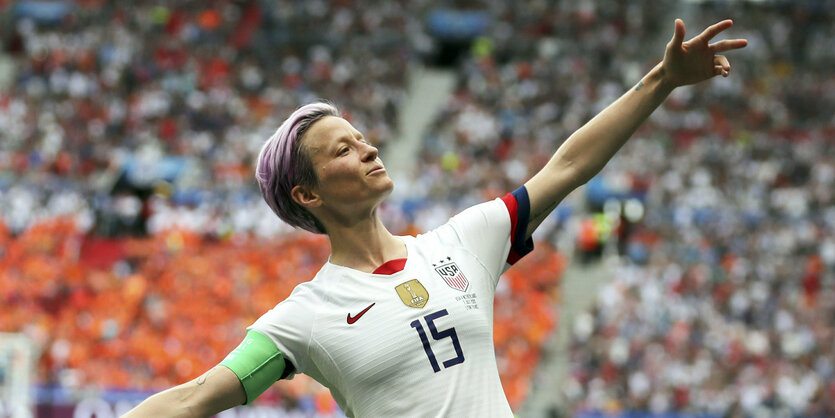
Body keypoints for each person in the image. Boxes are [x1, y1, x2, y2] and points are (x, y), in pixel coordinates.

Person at [124, 19, 746, 417]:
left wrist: (661, 81)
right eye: (342, 149)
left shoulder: (463, 244)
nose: (367, 148)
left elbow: (567, 166)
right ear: (306, 195)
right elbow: (195, 398)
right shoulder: (302, 319)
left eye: (362, 137)